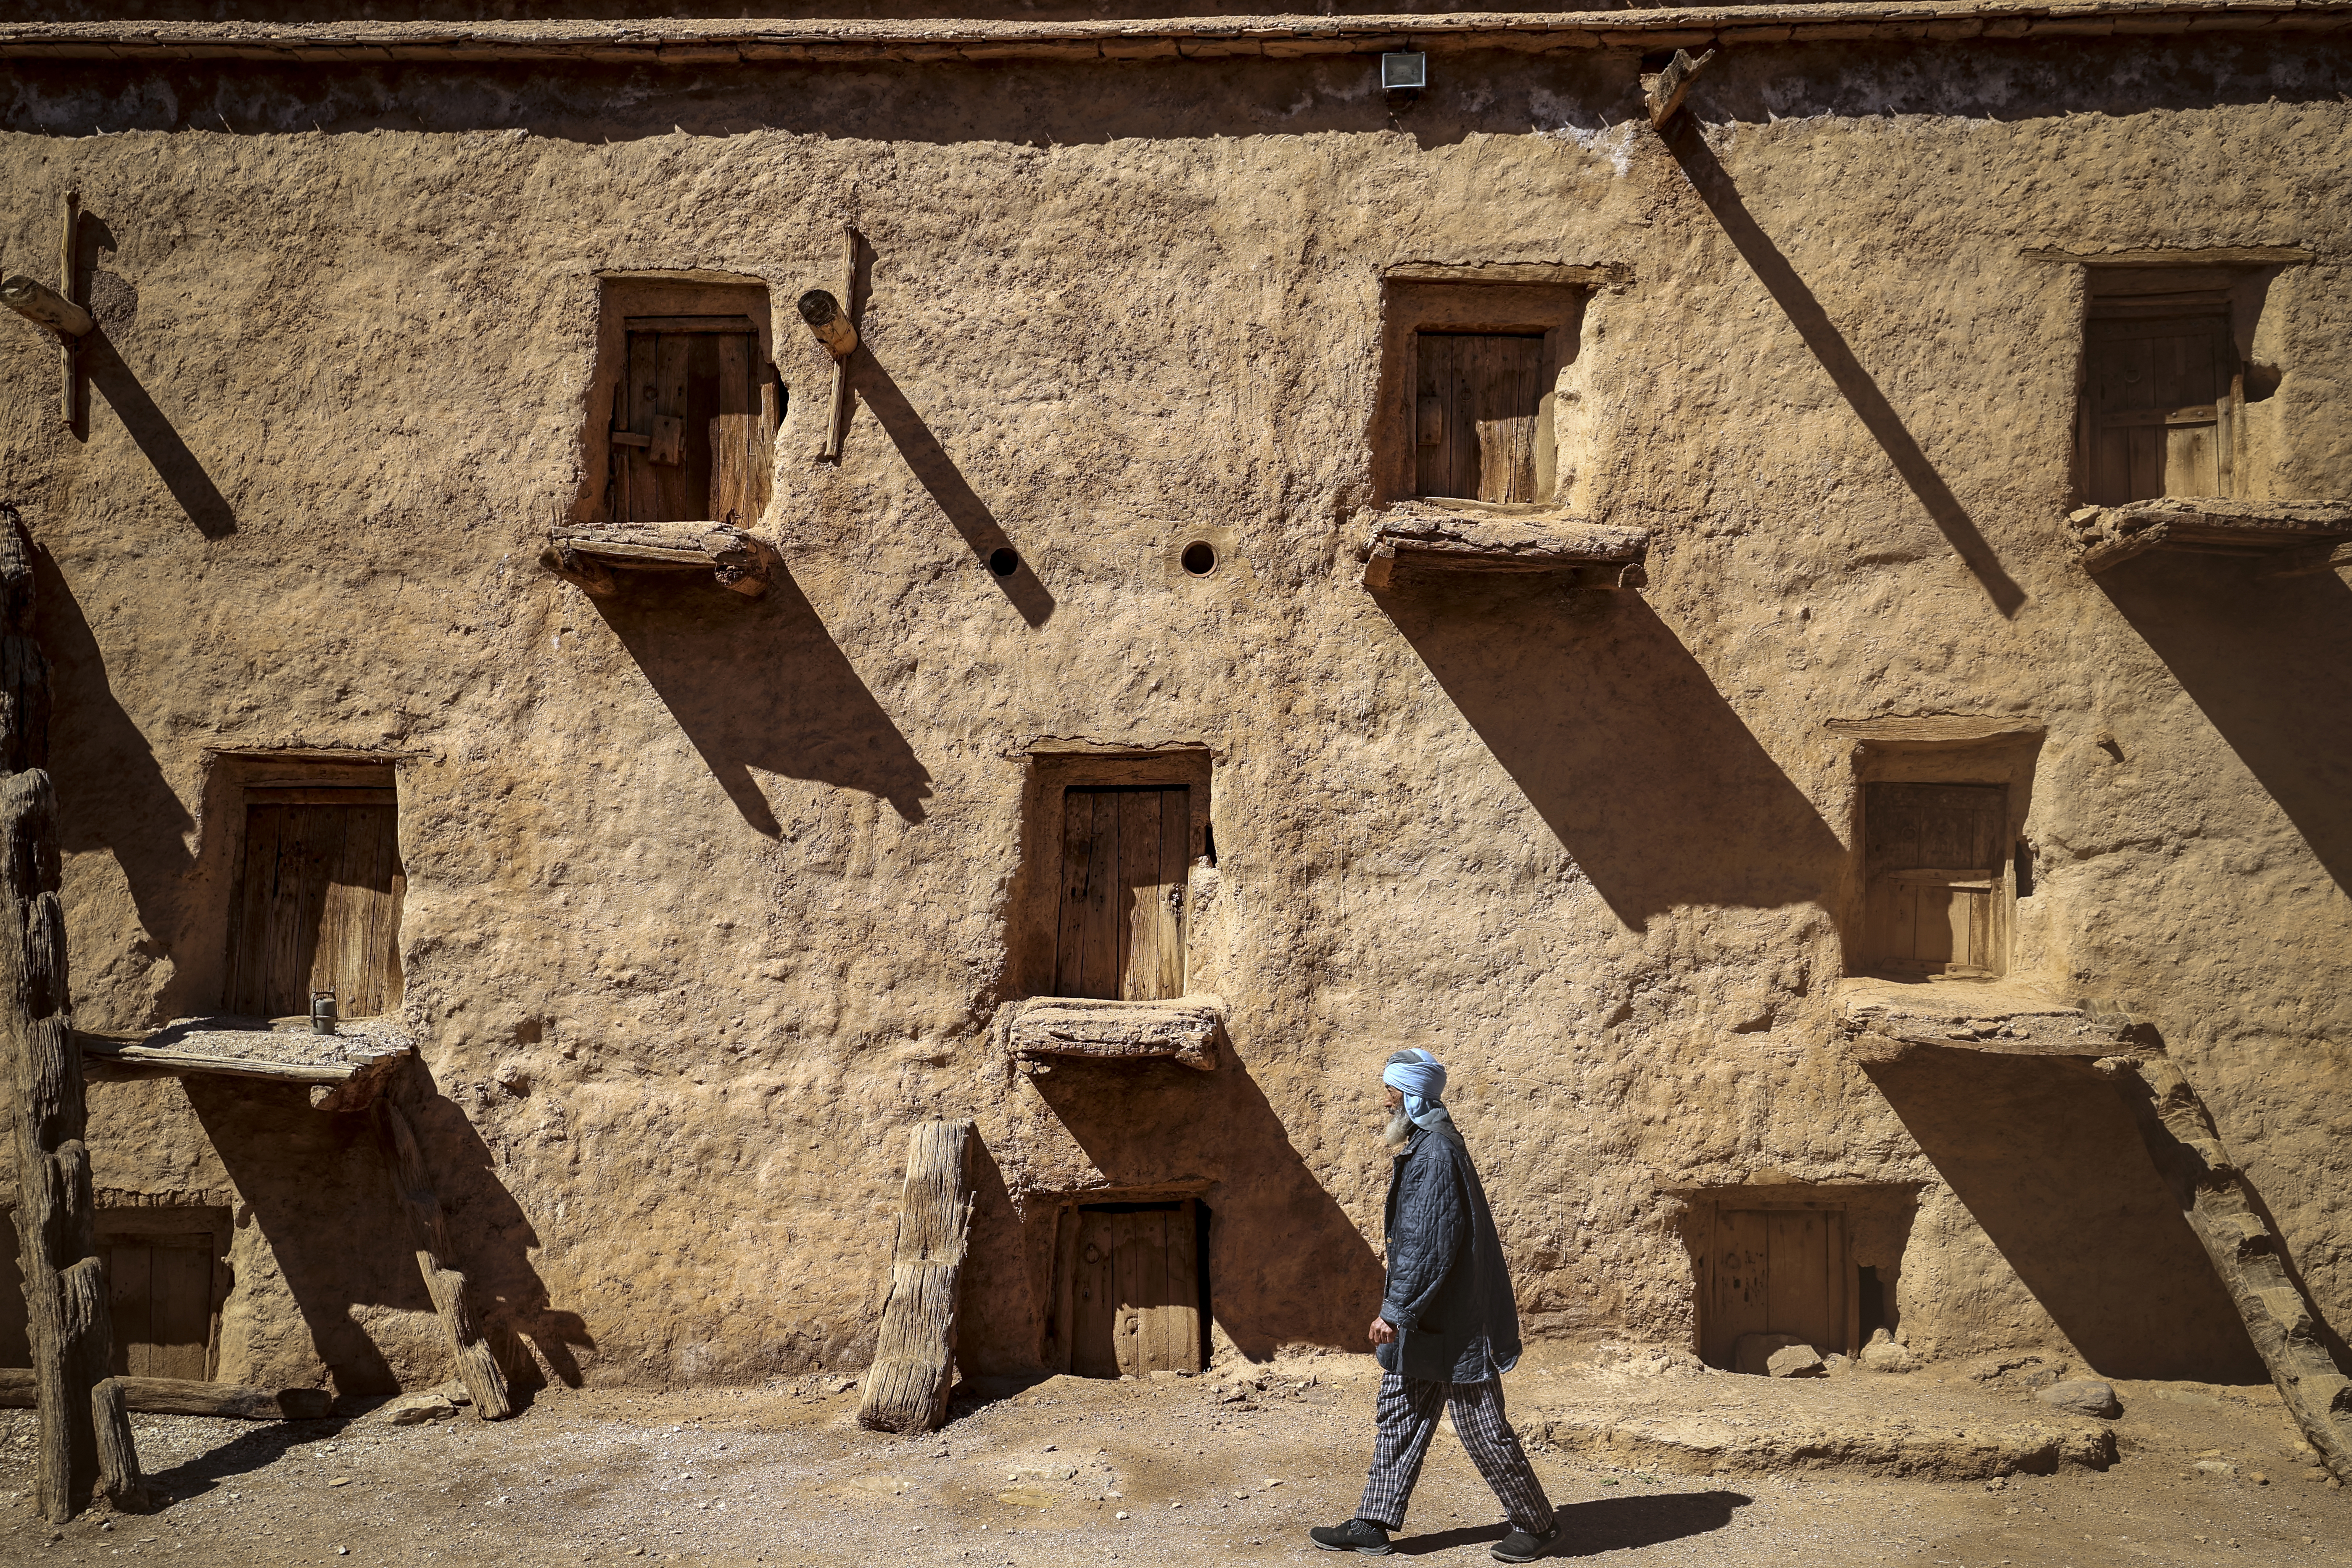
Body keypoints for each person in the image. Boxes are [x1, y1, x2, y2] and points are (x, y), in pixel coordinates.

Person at [1310, 1049, 1559, 1562]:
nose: (1385, 1100)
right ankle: (1373, 1522)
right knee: (1400, 1413)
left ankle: (1536, 1524)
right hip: (1429, 1322)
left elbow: (1429, 1243)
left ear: (1414, 1095)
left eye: (1392, 1091)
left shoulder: (1436, 1154)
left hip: (1456, 1323)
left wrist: (1396, 1311)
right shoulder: (1425, 1148)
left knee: (1480, 1425)